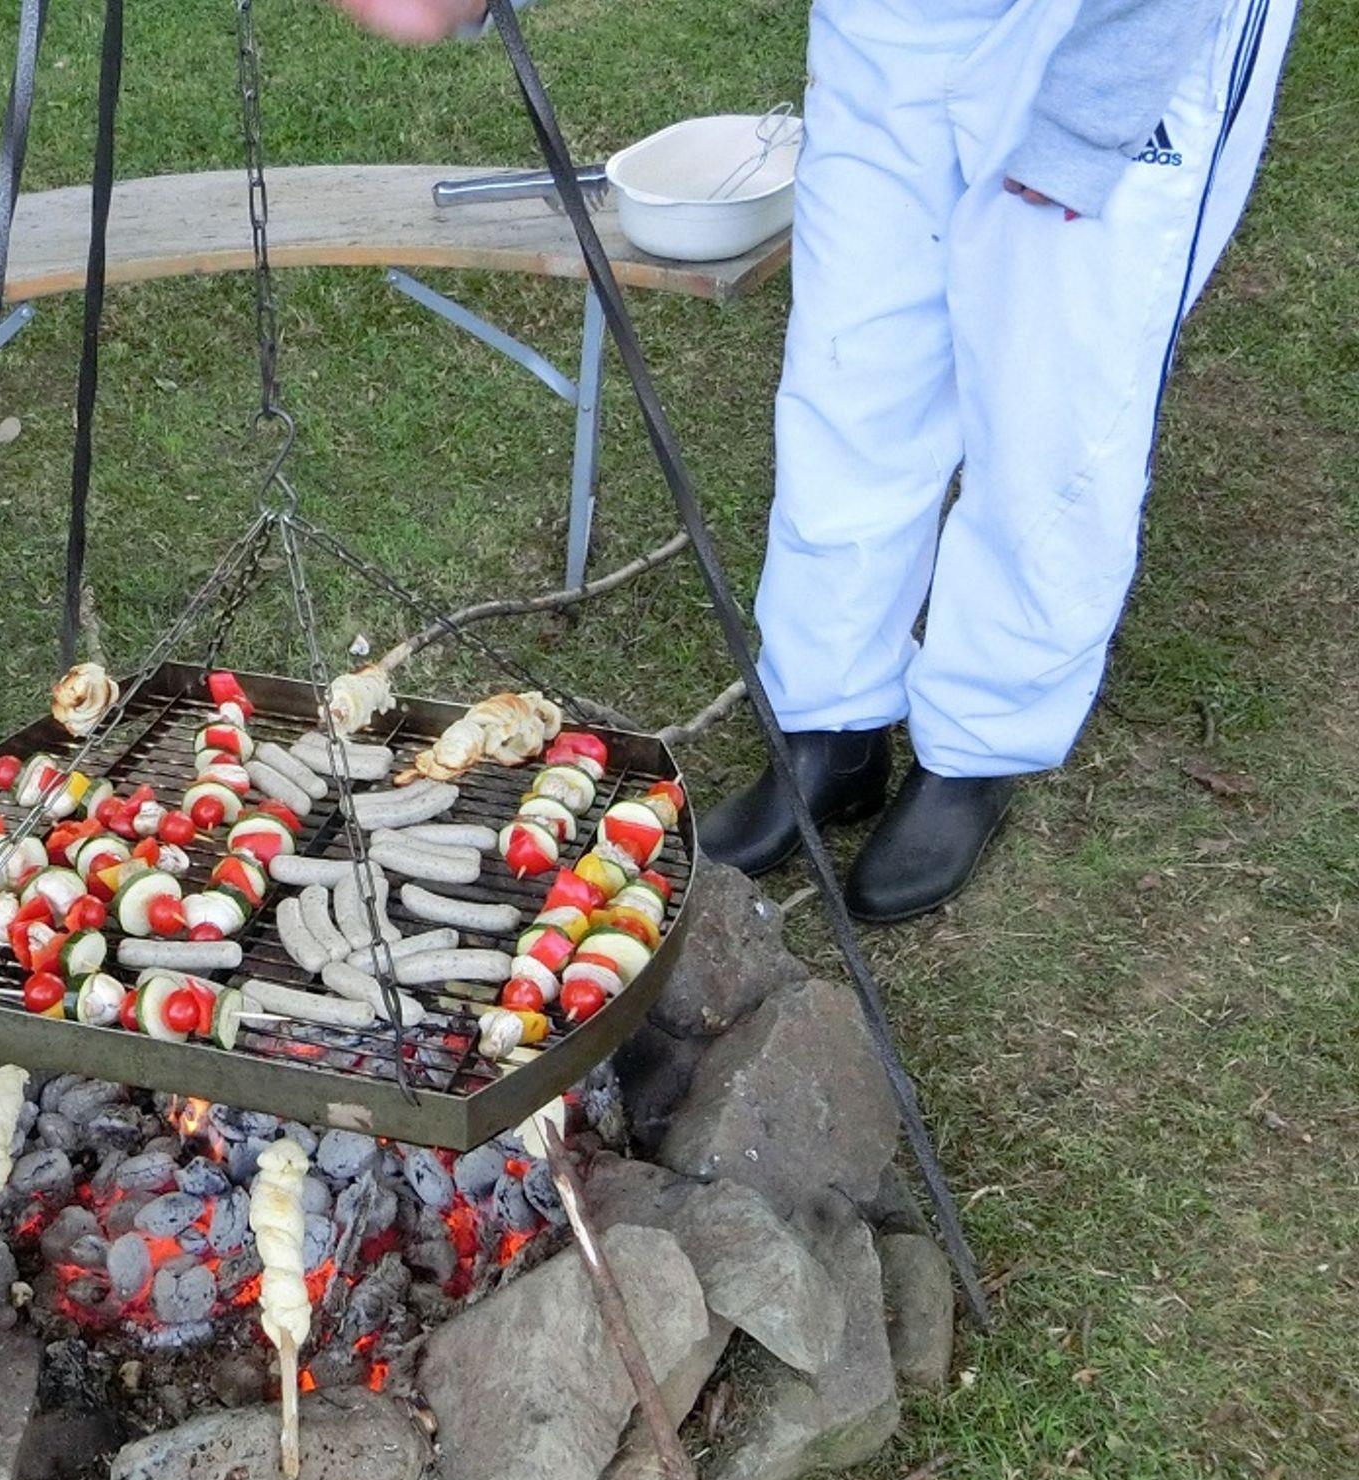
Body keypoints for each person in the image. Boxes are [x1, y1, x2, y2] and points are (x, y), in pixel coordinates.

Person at [333, 0, 1297, 920]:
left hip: (1110, 25)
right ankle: (832, 722)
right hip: (896, 23)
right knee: (853, 369)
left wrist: (1086, 127)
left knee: (1051, 412)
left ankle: (979, 744)